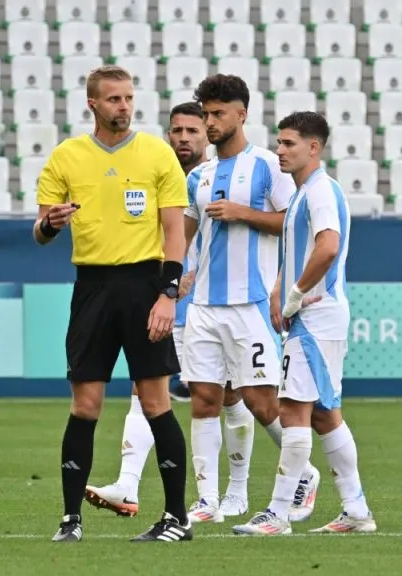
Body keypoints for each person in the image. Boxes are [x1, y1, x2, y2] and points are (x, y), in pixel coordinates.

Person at [84, 102, 268, 521]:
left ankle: (237, 490)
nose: (183, 138)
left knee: (230, 395)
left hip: (214, 303)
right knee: (145, 389)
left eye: (192, 131)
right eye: (176, 131)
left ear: (208, 134)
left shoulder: (215, 179)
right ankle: (127, 484)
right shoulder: (152, 174)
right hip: (165, 304)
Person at [34, 65, 192, 543]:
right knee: (86, 404)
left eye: (128, 98)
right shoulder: (67, 157)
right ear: (94, 105)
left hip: (145, 285)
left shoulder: (156, 154)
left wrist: (168, 293)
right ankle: (70, 518)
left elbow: (173, 232)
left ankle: (176, 519)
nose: (124, 106)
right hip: (93, 288)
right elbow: (40, 231)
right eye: (114, 99)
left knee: (155, 401)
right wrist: (51, 224)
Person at [180, 75, 319, 526]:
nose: (210, 121)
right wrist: (178, 273)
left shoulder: (265, 166)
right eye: (206, 113)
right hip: (203, 304)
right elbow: (188, 231)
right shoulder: (198, 176)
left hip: (251, 303)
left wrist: (245, 214)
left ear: (241, 114)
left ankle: (305, 473)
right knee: (204, 398)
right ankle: (206, 500)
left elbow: (292, 222)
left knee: (260, 402)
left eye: (218, 113)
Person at [234, 111, 375, 536]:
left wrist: (295, 294)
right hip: (314, 315)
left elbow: (327, 247)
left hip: (316, 315)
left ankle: (277, 514)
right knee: (325, 415)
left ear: (314, 148)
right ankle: (356, 509)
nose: (280, 150)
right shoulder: (302, 194)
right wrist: (281, 288)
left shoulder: (318, 192)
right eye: (279, 143)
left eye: (289, 143)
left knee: (293, 410)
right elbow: (302, 249)